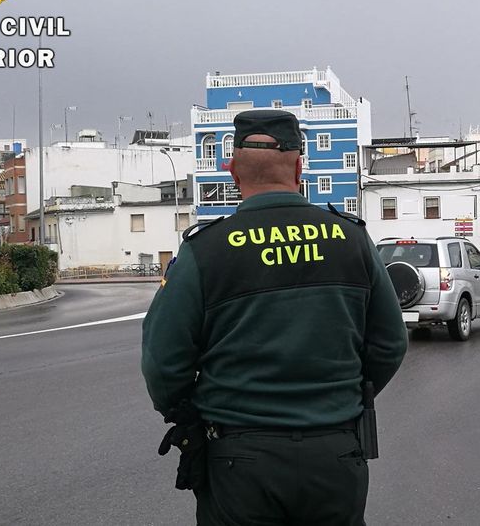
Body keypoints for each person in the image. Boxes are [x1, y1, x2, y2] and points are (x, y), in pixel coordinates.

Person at [141, 109, 409, 526]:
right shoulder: (352, 239)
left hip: (239, 464)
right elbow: (391, 344)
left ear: (232, 172)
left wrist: (188, 413)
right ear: (300, 167)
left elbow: (162, 360)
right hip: (334, 453)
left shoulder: (204, 251)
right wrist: (343, 396)